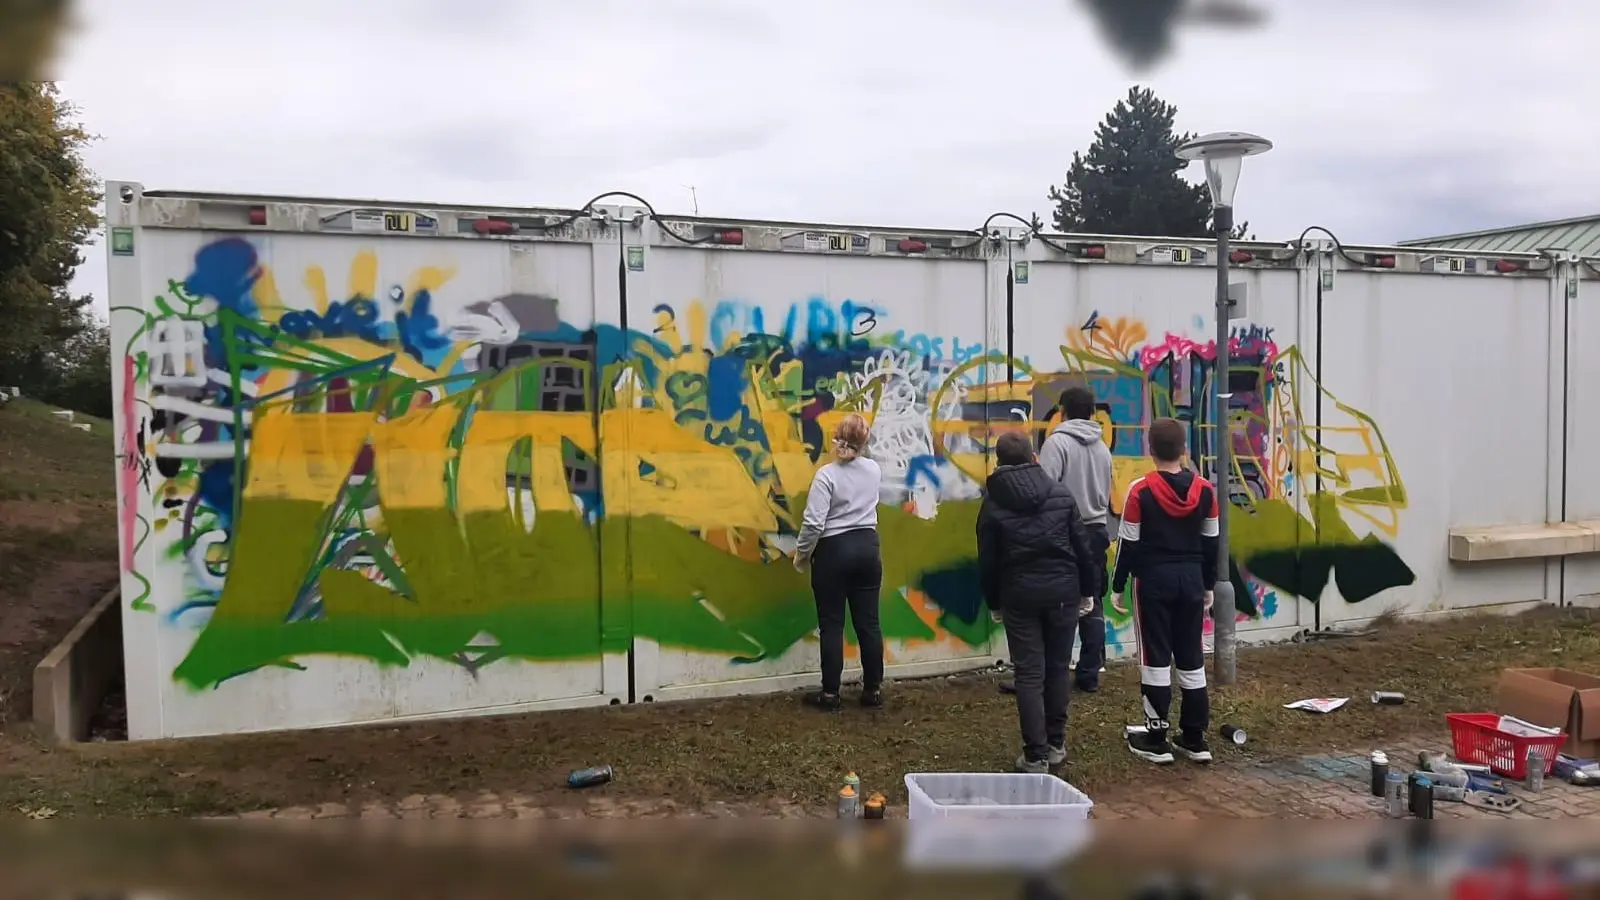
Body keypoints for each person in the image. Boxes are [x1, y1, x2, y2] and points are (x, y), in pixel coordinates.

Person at [978, 431, 1099, 773]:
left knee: (1029, 673)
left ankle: (1035, 755)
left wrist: (994, 602)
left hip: (1019, 595)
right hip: (1063, 592)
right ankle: (1056, 743)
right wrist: (1088, 592)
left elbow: (987, 560)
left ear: (998, 462)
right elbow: (1083, 548)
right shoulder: (1061, 493)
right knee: (1058, 668)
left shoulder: (992, 502)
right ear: (1034, 457)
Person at [1109, 417, 1220, 765]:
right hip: (1191, 579)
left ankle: (1156, 738)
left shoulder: (1140, 491)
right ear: (1185, 449)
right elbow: (1212, 543)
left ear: (1150, 450)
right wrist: (1207, 585)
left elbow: (1128, 544)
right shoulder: (1205, 490)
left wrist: (1117, 586)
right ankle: (1194, 737)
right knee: (1191, 658)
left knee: (1154, 658)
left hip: (1152, 582)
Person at [793, 413, 885, 711]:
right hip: (868, 548)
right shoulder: (873, 470)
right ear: (864, 441)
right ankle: (873, 690)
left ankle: (831, 694)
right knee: (868, 623)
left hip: (834, 551)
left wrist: (802, 555)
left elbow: (813, 524)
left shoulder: (826, 475)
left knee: (832, 624)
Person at [1037, 385, 1114, 693]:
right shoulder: (1102, 447)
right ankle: (1089, 673)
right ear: (1093, 413)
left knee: (1058, 600)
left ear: (1062, 411)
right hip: (1096, 531)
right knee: (1092, 601)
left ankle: (1051, 670)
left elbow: (1044, 491)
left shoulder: (1057, 444)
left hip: (1064, 530)